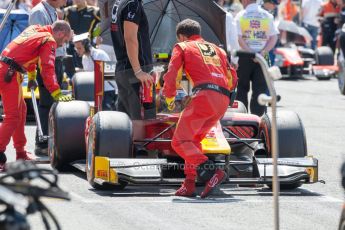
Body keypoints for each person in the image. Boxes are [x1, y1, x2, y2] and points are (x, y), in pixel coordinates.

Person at [162, 19, 238, 198]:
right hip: (222, 99)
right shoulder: (218, 49)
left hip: (204, 96)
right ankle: (188, 184)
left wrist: (170, 98)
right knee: (192, 141)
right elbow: (232, 77)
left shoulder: (182, 47)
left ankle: (212, 172)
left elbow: (172, 74)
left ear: (181, 36)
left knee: (179, 142)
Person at [0, 20, 73, 171]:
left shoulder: (36, 29)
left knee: (21, 112)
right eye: (64, 41)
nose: (62, 45)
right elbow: (47, 68)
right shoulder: (49, 40)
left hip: (8, 70)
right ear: (60, 33)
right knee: (12, 116)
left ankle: (21, 153)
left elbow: (29, 54)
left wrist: (32, 77)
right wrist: (56, 92)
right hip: (8, 74)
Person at [29, 0, 67, 156]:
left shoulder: (51, 10)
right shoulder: (39, 12)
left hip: (55, 60)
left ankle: (49, 139)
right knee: (46, 103)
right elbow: (36, 41)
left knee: (52, 103)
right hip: (45, 62)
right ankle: (42, 142)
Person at [111, 0, 154, 120]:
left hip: (124, 68)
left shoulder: (120, 2)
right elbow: (130, 38)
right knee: (140, 123)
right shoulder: (132, 4)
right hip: (134, 71)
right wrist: (138, 71)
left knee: (124, 122)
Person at [235, 0, 278, 116]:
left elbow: (238, 38)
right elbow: (274, 37)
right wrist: (263, 52)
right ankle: (259, 121)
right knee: (260, 89)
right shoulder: (268, 15)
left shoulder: (241, 15)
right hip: (262, 57)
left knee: (241, 89)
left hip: (244, 56)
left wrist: (250, 52)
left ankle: (241, 119)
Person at [73, 32, 117, 110]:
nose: (77, 51)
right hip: (95, 91)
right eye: (76, 48)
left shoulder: (100, 54)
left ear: (86, 46)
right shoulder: (84, 58)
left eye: (79, 48)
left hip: (107, 90)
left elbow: (110, 75)